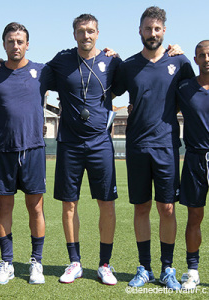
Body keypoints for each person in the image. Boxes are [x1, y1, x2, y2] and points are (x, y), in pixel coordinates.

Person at [111, 6, 194, 290]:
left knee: (167, 208)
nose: (152, 34)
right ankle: (144, 267)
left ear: (164, 31)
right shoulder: (129, 65)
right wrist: (108, 58)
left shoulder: (180, 61)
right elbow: (109, 89)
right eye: (148, 29)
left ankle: (167, 268)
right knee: (142, 207)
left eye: (157, 29)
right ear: (140, 31)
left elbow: (195, 94)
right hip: (136, 145)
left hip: (167, 146)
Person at [47, 14, 121, 285]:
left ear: (98, 33)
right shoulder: (61, 60)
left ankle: (104, 264)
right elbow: (31, 75)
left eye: (90, 31)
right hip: (70, 144)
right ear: (74, 33)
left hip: (100, 143)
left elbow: (137, 77)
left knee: (107, 204)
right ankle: (74, 262)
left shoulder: (112, 62)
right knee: (69, 204)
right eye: (81, 31)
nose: (86, 36)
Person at [0, 22, 56, 285]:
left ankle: (36, 263)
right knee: (5, 207)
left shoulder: (42, 71)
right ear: (4, 44)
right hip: (3, 150)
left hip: (34, 149)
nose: (15, 45)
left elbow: (74, 71)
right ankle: (7, 263)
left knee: (35, 208)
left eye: (20, 41)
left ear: (27, 44)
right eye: (11, 41)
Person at [177, 40, 209, 290]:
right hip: (195, 159)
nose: (207, 58)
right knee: (194, 217)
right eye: (202, 55)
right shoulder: (185, 87)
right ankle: (192, 270)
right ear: (195, 60)